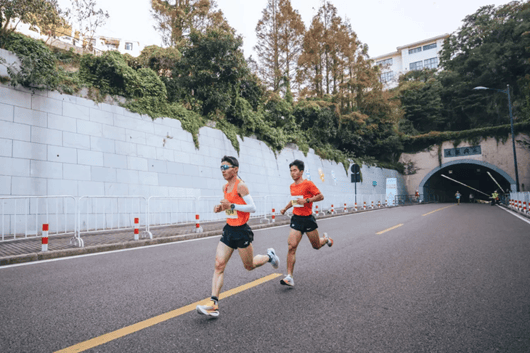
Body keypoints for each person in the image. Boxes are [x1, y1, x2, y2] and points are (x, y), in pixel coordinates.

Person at [196, 156, 280, 318]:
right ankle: (213, 304)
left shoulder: (241, 186)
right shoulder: (225, 187)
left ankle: (269, 257)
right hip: (229, 230)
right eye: (221, 168)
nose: (223, 170)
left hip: (242, 231)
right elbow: (229, 207)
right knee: (219, 265)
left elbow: (252, 208)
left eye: (226, 167)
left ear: (235, 169)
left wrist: (232, 205)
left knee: (249, 266)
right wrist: (221, 208)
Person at [279, 160, 333, 287]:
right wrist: (285, 208)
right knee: (291, 247)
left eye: (295, 170)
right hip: (296, 219)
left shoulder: (308, 184)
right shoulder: (292, 186)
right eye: (291, 171)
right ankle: (289, 277)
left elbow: (320, 196)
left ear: (301, 172)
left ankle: (325, 239)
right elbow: (294, 201)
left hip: (308, 219)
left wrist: (307, 200)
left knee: (316, 245)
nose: (292, 173)